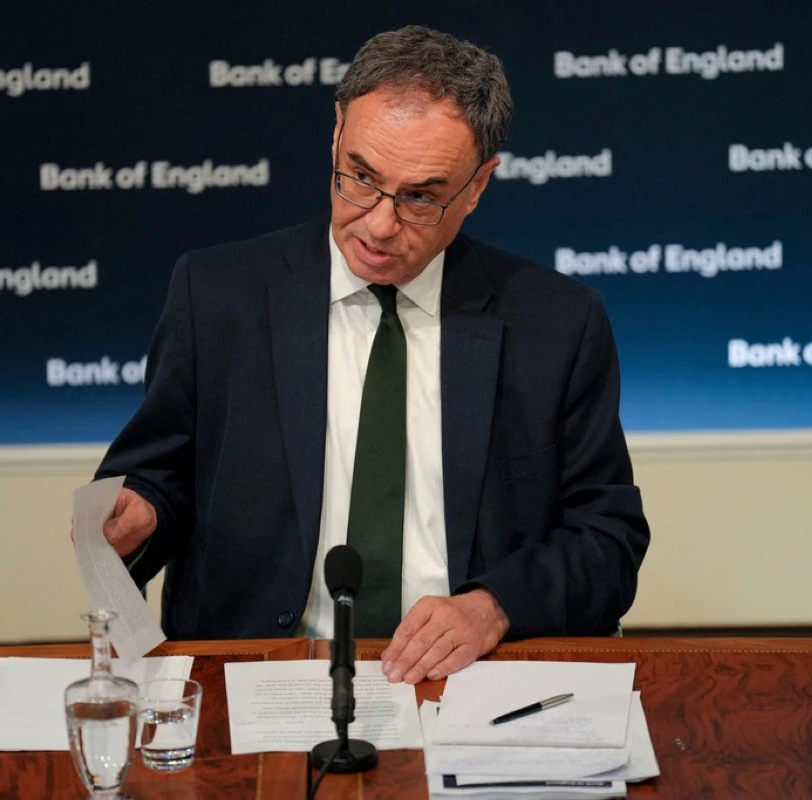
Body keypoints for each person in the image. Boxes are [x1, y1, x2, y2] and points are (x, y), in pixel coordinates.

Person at [92, 25, 650, 685]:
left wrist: (494, 607)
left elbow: (607, 537)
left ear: (477, 186)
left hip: (468, 679)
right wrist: (141, 513)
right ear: (336, 134)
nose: (380, 225)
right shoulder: (217, 296)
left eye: (420, 197)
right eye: (360, 177)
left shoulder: (556, 324)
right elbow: (158, 478)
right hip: (258, 677)